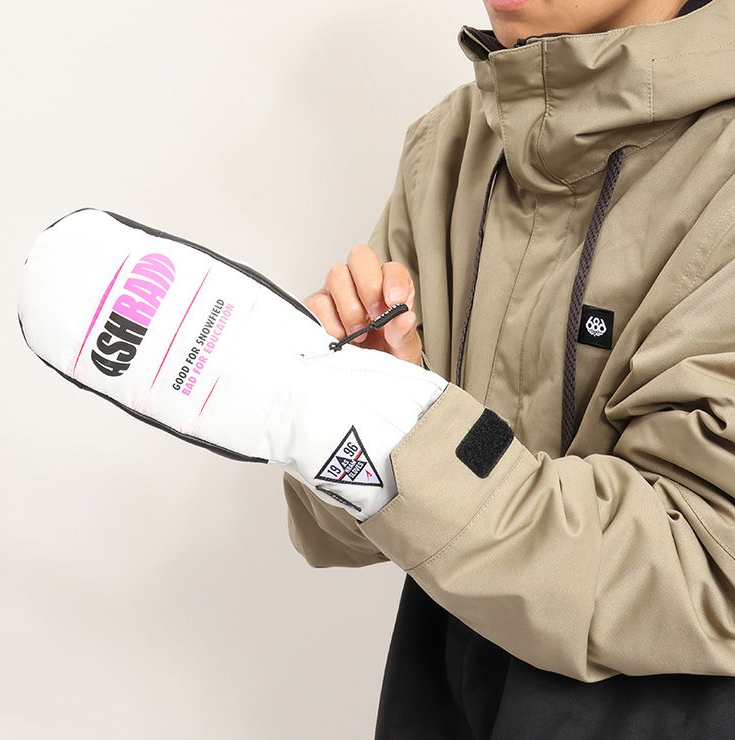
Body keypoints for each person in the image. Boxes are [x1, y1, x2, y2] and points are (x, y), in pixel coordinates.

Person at [283, 0, 735, 737]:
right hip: (439, 700)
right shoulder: (452, 143)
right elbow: (334, 530)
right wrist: (351, 411)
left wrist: (408, 439)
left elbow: (710, 562)